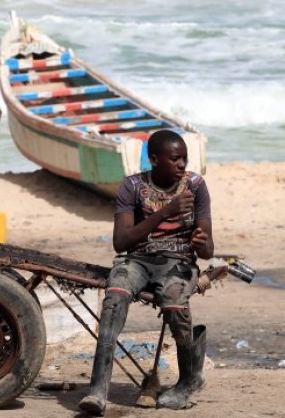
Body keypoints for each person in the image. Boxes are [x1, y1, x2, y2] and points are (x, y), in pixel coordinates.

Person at [78, 129, 214, 415]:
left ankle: (189, 380)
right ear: (154, 160)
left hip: (179, 263)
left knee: (175, 302)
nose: (182, 164)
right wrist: (165, 212)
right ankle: (97, 391)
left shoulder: (196, 185)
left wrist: (203, 244)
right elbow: (121, 242)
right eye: (175, 159)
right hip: (138, 260)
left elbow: (208, 250)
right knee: (114, 298)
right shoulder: (132, 186)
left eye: (184, 159)